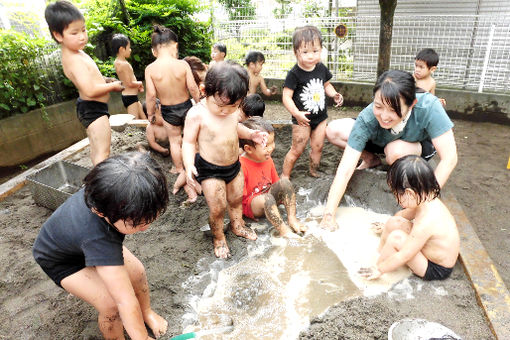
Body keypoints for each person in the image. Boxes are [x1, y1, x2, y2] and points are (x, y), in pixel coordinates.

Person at [33, 152, 169, 339]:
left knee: (137, 273)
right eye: (136, 223)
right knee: (112, 306)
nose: (146, 227)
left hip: (81, 241)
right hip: (62, 260)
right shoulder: (99, 238)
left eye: (150, 218)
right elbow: (125, 301)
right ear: (99, 212)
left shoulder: (107, 189)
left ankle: (147, 313)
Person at [321, 70, 457, 230]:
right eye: (378, 106)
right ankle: (371, 159)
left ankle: (398, 168)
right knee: (333, 130)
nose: (384, 116)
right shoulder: (368, 117)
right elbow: (346, 168)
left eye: (393, 109)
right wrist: (328, 215)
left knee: (394, 151)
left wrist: (420, 204)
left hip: (415, 145)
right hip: (382, 140)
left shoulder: (429, 106)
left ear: (412, 104)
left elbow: (449, 158)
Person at [182, 61, 268, 259]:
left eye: (235, 106)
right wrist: (188, 166)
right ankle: (219, 237)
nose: (227, 112)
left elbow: (235, 127)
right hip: (211, 169)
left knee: (237, 198)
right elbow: (187, 143)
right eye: (221, 107)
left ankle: (238, 224)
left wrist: (252, 134)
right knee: (218, 206)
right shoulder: (197, 115)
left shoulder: (231, 110)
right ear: (205, 91)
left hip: (233, 165)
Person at [45, 1, 124, 165]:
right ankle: (101, 185)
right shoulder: (73, 59)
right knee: (103, 151)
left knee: (98, 149)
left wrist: (105, 80)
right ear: (58, 35)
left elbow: (90, 78)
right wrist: (113, 86)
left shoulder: (77, 52)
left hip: (93, 108)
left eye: (83, 29)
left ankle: (97, 181)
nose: (82, 36)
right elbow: (89, 90)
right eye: (74, 33)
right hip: (93, 110)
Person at [358, 155, 459, 281]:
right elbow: (401, 216)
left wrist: (380, 269)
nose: (396, 199)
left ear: (410, 193)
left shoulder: (426, 220)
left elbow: (404, 255)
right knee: (394, 222)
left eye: (396, 194)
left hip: (434, 267)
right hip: (428, 250)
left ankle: (377, 266)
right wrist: (386, 227)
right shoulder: (424, 197)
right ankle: (380, 253)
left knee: (396, 238)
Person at [145, 25, 201, 202]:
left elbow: (151, 95)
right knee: (192, 139)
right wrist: (199, 104)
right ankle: (194, 164)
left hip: (168, 110)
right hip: (186, 106)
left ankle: (178, 168)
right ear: (174, 46)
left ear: (154, 51)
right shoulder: (182, 64)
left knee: (174, 140)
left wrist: (150, 114)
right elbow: (192, 87)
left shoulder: (150, 69)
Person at [281, 25, 344, 179]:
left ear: (321, 50)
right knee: (297, 148)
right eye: (305, 52)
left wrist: (334, 94)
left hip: (321, 118)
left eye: (315, 51)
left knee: (318, 146)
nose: (311, 56)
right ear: (296, 53)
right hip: (302, 119)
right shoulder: (294, 74)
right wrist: (296, 114)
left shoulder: (321, 68)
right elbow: (286, 97)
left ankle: (313, 170)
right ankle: (285, 175)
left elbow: (326, 84)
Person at [240, 117, 306, 237]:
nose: (271, 148)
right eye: (266, 145)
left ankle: (292, 219)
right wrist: (239, 220)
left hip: (268, 195)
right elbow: (237, 198)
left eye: (272, 142)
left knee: (285, 182)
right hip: (253, 204)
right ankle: (283, 230)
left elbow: (277, 183)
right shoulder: (241, 165)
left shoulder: (267, 158)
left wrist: (283, 197)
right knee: (267, 199)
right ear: (248, 149)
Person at [112, 33, 145, 119]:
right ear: (122, 49)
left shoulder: (117, 62)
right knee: (134, 123)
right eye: (129, 47)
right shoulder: (124, 64)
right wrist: (139, 83)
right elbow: (129, 83)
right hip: (130, 97)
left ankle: (150, 132)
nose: (130, 50)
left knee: (144, 119)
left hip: (130, 96)